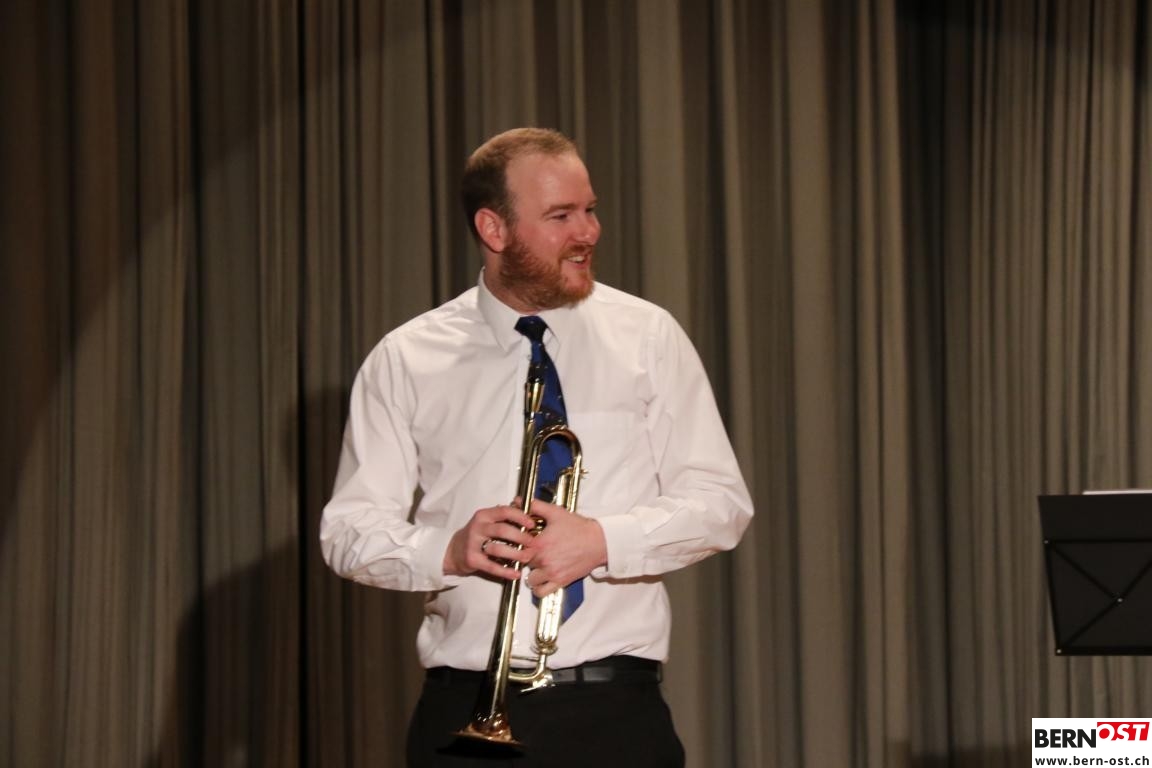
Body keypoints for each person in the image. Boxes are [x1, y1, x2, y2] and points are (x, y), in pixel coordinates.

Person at [320, 127, 753, 767]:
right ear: (493, 229)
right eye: (560, 216)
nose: (588, 232)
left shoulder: (647, 336)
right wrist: (447, 550)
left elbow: (721, 504)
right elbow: (347, 532)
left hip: (615, 713)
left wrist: (602, 540)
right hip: (462, 709)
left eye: (590, 209)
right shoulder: (407, 357)